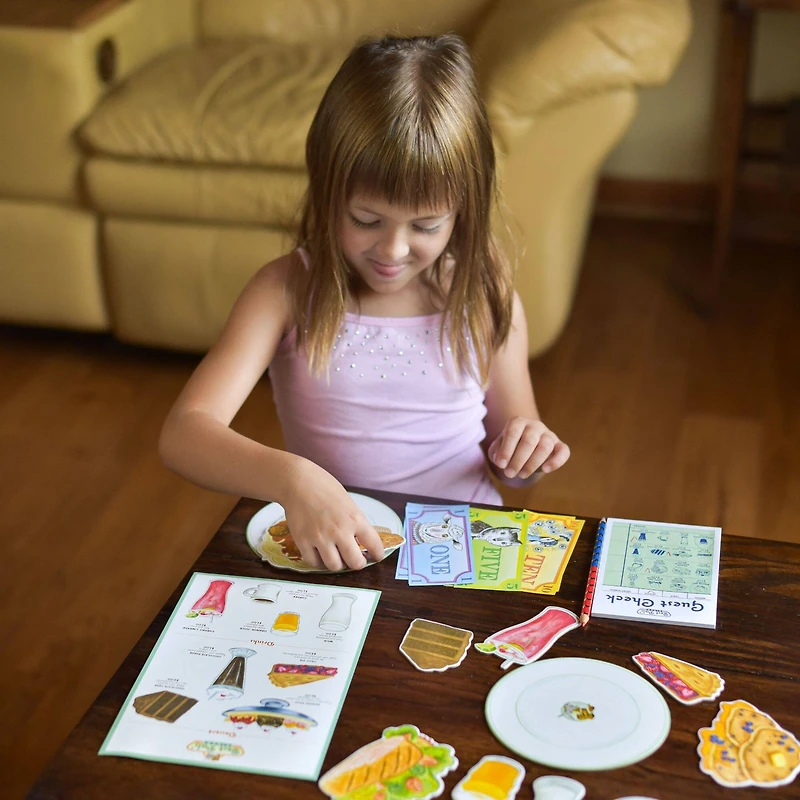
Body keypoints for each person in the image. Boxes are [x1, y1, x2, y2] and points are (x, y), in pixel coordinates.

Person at [159, 34, 570, 572]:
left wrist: (527, 453)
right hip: (340, 551)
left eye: (426, 225)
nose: (393, 250)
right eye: (366, 220)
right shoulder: (285, 290)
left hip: (464, 546)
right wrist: (291, 478)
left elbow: (512, 460)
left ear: (464, 209)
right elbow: (184, 433)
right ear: (327, 190)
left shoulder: (484, 292)